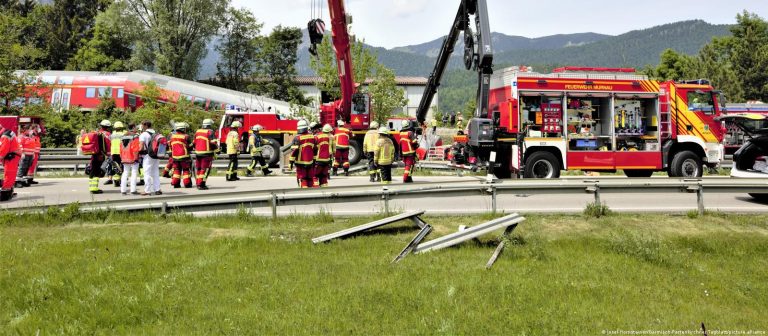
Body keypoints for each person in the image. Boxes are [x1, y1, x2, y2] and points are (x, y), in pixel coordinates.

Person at [85, 120, 112, 194]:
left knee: (93, 170)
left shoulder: (96, 132)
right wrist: (108, 154)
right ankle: (94, 189)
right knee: (97, 172)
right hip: (101, 155)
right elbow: (109, 145)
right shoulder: (108, 134)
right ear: (108, 127)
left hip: (94, 154)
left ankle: (91, 187)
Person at [289, 120, 316, 188]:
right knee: (310, 179)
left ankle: (304, 193)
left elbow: (294, 151)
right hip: (310, 162)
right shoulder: (312, 137)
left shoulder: (297, 138)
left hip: (300, 163)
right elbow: (315, 149)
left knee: (303, 179)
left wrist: (291, 162)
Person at [139, 120, 162, 196]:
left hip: (147, 156)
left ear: (145, 125)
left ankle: (147, 190)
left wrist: (137, 152)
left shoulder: (144, 134)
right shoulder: (156, 133)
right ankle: (157, 189)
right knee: (155, 172)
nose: (141, 126)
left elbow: (141, 147)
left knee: (147, 173)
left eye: (142, 125)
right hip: (156, 155)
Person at [193, 118, 217, 190]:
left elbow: (194, 142)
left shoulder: (197, 131)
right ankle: (201, 184)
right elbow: (213, 143)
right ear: (209, 125)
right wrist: (217, 150)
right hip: (207, 154)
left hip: (198, 154)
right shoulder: (210, 132)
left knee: (199, 169)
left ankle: (198, 183)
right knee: (205, 169)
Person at [0, 124, 21, 201]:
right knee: (10, 174)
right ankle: (9, 190)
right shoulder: (7, 132)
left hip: (11, 156)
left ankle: (5, 193)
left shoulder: (4, 136)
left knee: (9, 174)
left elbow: (3, 150)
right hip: (13, 156)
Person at [169, 122, 194, 188]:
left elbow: (170, 146)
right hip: (184, 157)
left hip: (175, 157)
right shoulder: (186, 136)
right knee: (186, 170)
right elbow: (190, 147)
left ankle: (176, 184)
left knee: (177, 170)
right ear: (183, 129)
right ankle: (187, 184)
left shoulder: (172, 136)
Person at [119, 123, 141, 195]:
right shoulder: (135, 136)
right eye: (136, 127)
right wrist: (136, 157)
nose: (136, 129)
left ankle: (123, 190)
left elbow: (121, 147)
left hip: (124, 157)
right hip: (132, 157)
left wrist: (122, 156)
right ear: (134, 127)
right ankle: (133, 190)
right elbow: (136, 148)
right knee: (134, 173)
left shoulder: (123, 136)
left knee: (125, 173)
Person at [107, 121, 125, 187]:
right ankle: (122, 180)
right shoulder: (123, 135)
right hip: (121, 152)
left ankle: (116, 180)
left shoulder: (111, 135)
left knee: (115, 166)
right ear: (121, 127)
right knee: (122, 166)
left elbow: (109, 143)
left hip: (113, 152)